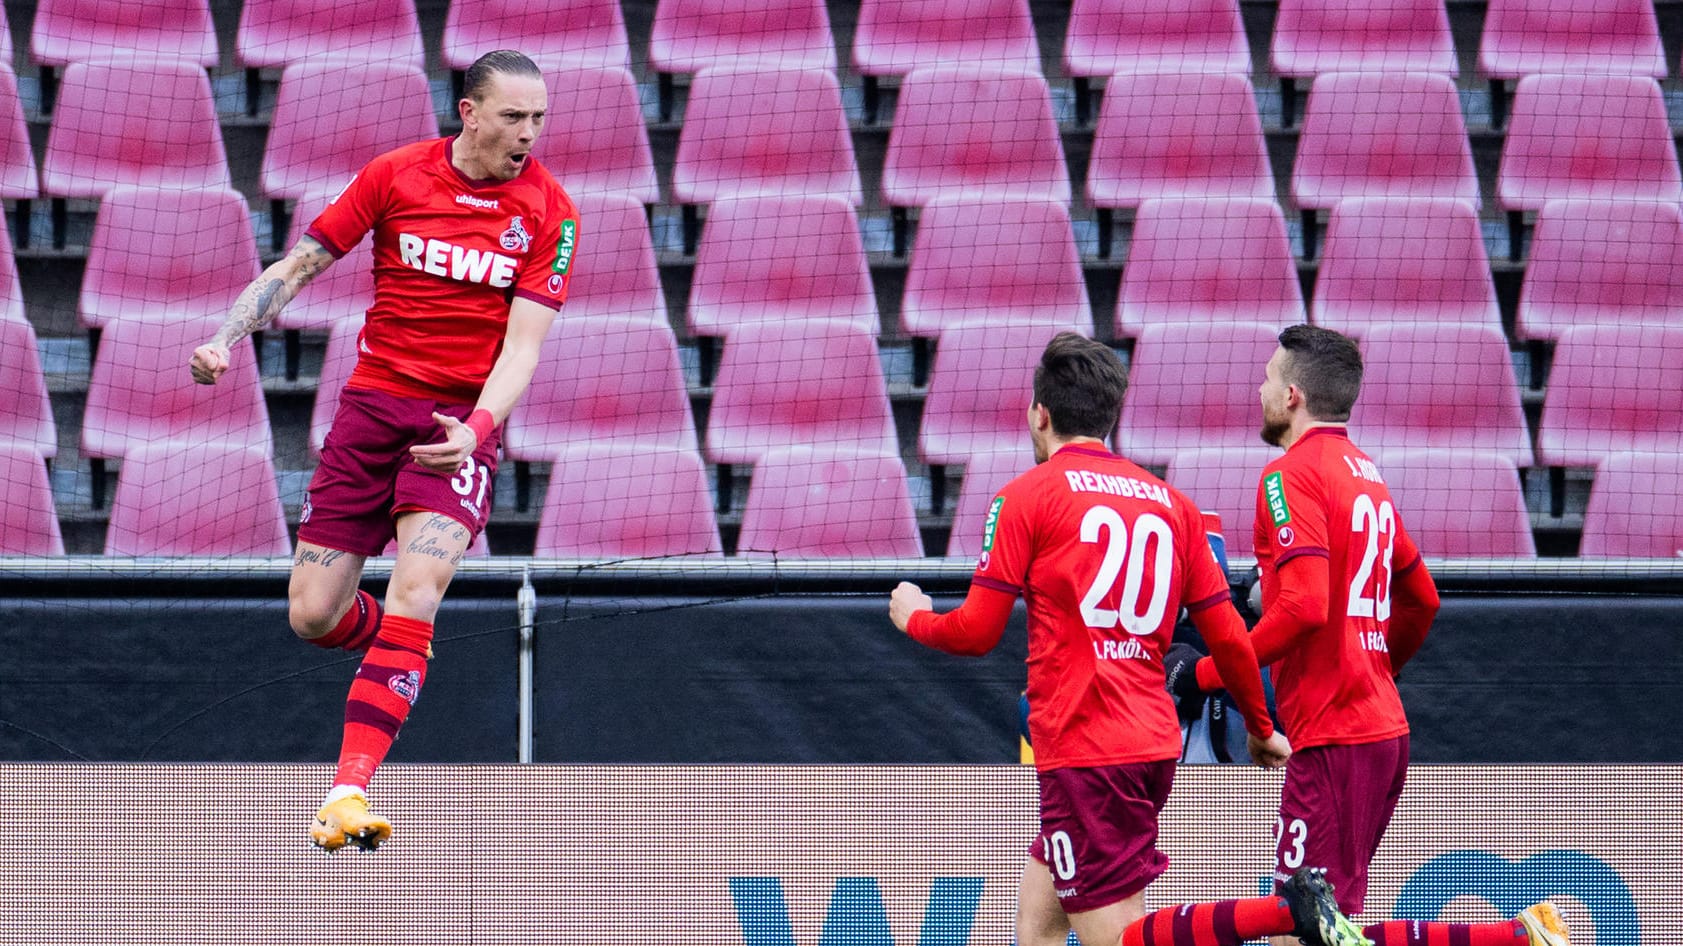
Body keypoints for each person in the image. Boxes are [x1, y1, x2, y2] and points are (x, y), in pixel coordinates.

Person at [188, 49, 579, 853]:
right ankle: (404, 642)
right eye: (512, 116)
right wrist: (227, 337)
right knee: (312, 616)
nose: (528, 134)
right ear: (469, 113)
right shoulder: (396, 175)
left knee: (418, 587)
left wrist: (476, 429)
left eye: (538, 118)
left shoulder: (551, 212)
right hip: (372, 409)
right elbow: (299, 265)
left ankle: (347, 789)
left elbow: (523, 351)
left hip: (454, 427)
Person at [890, 332, 1358, 946]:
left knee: (1121, 937)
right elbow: (1229, 639)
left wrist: (914, 617)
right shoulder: (1173, 506)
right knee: (1038, 919)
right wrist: (1258, 725)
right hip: (1149, 744)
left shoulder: (1023, 498)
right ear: (1111, 417)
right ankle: (1284, 911)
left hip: (1084, 750)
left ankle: (1281, 913)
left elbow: (977, 632)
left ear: (1040, 413)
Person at [1166, 325, 1569, 946]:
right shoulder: (1366, 474)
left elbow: (1303, 609)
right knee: (1328, 924)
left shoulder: (1288, 475)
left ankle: (1515, 938)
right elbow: (1422, 599)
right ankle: (1518, 936)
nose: (1261, 388)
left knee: (1297, 922)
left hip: (1334, 737)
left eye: (1269, 378)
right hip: (1379, 730)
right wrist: (1379, 668)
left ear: (1294, 394)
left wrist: (1203, 675)